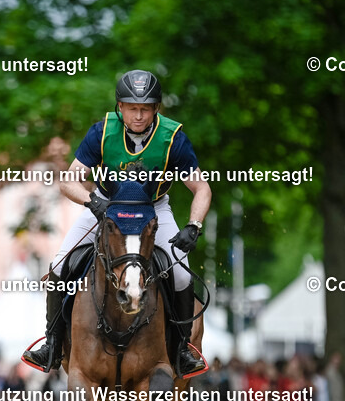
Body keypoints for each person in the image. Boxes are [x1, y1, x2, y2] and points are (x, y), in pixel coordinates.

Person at [23, 70, 212, 375]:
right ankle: (52, 344)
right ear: (120, 107)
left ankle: (180, 352)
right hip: (105, 207)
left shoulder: (173, 138)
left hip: (153, 210)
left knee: (181, 276)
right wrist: (92, 202)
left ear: (157, 109)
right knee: (59, 265)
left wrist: (194, 225)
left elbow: (201, 188)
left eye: (146, 108)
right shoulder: (101, 133)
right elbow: (68, 181)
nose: (139, 115)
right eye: (132, 107)